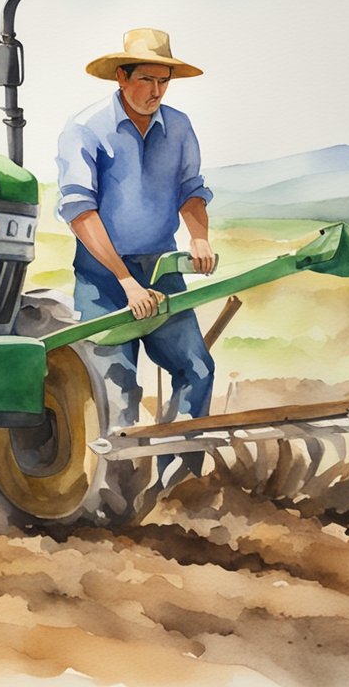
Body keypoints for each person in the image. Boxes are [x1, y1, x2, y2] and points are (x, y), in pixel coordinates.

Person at [55, 27, 216, 483]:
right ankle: (114, 494)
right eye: (147, 80)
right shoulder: (86, 129)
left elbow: (191, 190)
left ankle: (177, 479)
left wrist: (199, 238)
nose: (156, 91)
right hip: (104, 276)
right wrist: (125, 280)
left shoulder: (179, 126)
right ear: (121, 78)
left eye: (164, 82)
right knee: (115, 386)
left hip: (162, 268)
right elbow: (79, 210)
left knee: (197, 368)